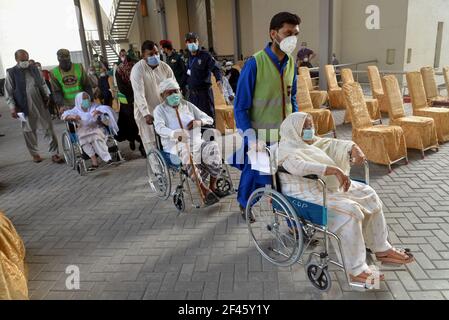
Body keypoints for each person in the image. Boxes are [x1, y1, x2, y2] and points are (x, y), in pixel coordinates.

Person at [277, 112, 415, 284]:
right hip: (305, 194)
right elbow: (298, 166)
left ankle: (382, 247)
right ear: (294, 130)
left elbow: (333, 143)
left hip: (327, 186)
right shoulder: (285, 149)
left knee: (369, 194)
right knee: (350, 212)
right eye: (305, 127)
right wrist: (334, 170)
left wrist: (353, 148)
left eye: (311, 125)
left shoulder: (312, 143)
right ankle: (356, 269)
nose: (309, 129)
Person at [233, 12, 300, 221]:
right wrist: (251, 139)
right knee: (255, 176)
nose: (292, 38)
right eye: (288, 33)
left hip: (285, 137)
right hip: (260, 138)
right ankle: (245, 204)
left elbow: (292, 97)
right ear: (273, 33)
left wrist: (298, 124)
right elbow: (240, 108)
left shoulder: (290, 63)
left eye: (296, 34)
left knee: (287, 179)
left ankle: (292, 223)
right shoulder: (255, 64)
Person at [154, 78, 223, 206]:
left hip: (197, 143)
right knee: (185, 152)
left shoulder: (187, 105)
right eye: (169, 93)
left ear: (180, 92)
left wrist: (199, 122)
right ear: (163, 95)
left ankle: (213, 186)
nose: (174, 95)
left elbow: (208, 119)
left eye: (176, 91)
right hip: (175, 147)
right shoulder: (160, 110)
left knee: (213, 146)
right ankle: (204, 189)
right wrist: (175, 134)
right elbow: (159, 128)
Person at [4, 49, 64, 163]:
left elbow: (42, 83)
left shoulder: (34, 69)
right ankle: (35, 154)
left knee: (48, 128)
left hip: (40, 103)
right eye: (22, 60)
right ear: (16, 60)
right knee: (29, 131)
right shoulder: (11, 73)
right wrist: (12, 107)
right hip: (23, 106)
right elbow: (9, 92)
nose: (25, 62)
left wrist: (47, 96)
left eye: (26, 59)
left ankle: (54, 153)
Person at [130, 40, 174, 154]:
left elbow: (174, 88)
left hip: (164, 111)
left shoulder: (165, 68)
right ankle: (157, 171)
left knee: (169, 142)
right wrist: (146, 113)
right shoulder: (137, 70)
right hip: (147, 114)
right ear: (143, 56)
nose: (155, 56)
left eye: (156, 53)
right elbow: (139, 94)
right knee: (152, 146)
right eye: (151, 54)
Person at [61, 92, 117, 170]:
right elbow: (64, 115)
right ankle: (94, 162)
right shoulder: (75, 110)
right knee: (83, 141)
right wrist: (72, 116)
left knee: (96, 138)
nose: (86, 100)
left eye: (87, 98)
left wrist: (98, 112)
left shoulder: (93, 106)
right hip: (83, 130)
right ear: (79, 100)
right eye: (84, 99)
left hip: (96, 128)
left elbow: (105, 108)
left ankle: (108, 158)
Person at [185, 32, 223, 122]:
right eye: (190, 42)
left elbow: (216, 68)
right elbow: (186, 74)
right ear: (186, 43)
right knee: (195, 120)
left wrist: (219, 80)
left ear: (198, 42)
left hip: (204, 94)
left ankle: (210, 135)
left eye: (194, 41)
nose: (192, 43)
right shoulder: (187, 57)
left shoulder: (205, 55)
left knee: (208, 118)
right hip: (192, 95)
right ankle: (198, 136)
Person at [115, 55, 146, 157]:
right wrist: (134, 93)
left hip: (139, 100)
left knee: (141, 124)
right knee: (131, 125)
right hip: (127, 103)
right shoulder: (119, 71)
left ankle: (142, 146)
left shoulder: (139, 69)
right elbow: (122, 88)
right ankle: (132, 140)